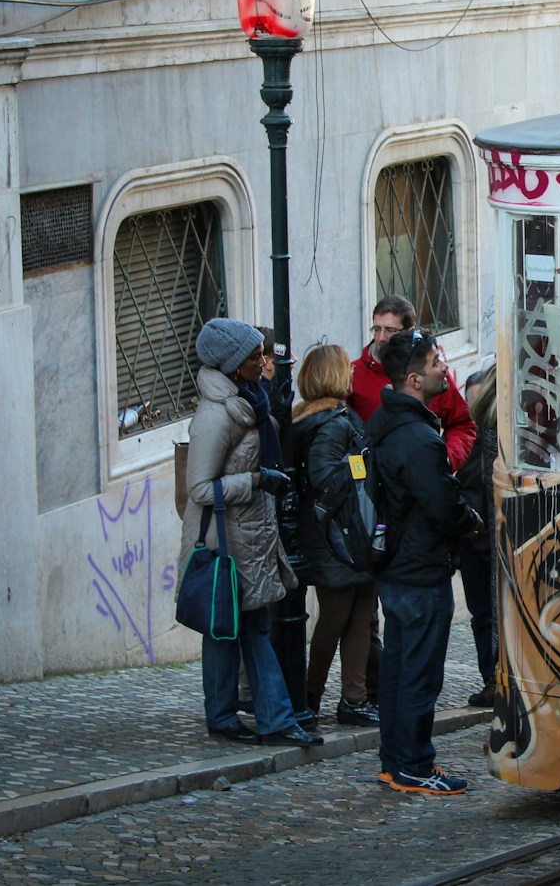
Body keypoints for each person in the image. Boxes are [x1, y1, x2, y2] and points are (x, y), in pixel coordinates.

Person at [178, 318, 322, 747]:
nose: (264, 362)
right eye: (255, 355)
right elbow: (199, 488)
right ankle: (260, 718)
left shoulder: (251, 401)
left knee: (242, 629)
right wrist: (257, 480)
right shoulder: (215, 416)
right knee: (235, 629)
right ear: (231, 364)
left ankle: (241, 716)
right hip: (225, 540)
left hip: (253, 534)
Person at [369, 329, 482, 794]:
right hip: (419, 569)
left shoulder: (386, 423)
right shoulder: (418, 438)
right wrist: (469, 520)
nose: (444, 369)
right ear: (414, 378)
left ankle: (396, 761)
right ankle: (414, 764)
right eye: (437, 362)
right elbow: (440, 505)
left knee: (398, 669)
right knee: (417, 673)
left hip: (398, 566)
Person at [292, 344, 380, 729]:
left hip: (350, 534)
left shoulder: (332, 418)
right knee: (336, 616)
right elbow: (325, 480)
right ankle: (311, 694)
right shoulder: (330, 422)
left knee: (360, 616)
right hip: (338, 536)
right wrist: (359, 472)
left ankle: (354, 699)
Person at [349, 294, 475, 471]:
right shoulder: (353, 375)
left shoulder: (433, 375)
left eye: (390, 330)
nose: (381, 338)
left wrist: (445, 460)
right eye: (376, 329)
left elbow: (462, 424)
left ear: (409, 332)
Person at [455, 364, 499, 709]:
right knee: (485, 611)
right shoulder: (473, 430)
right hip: (478, 532)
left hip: (489, 529)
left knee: (491, 611)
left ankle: (496, 677)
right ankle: (491, 677)